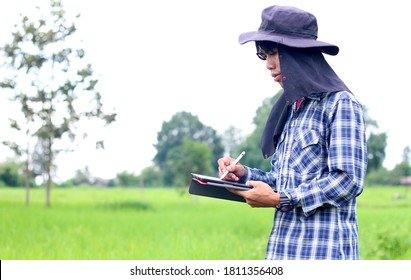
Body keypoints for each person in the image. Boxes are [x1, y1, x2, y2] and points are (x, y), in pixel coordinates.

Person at [217, 5, 368, 260]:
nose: (268, 64)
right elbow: (283, 181)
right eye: (264, 54)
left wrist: (280, 199)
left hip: (323, 256)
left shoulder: (340, 104)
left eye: (274, 52)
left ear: (299, 54)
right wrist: (244, 175)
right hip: (283, 253)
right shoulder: (293, 109)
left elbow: (348, 181)